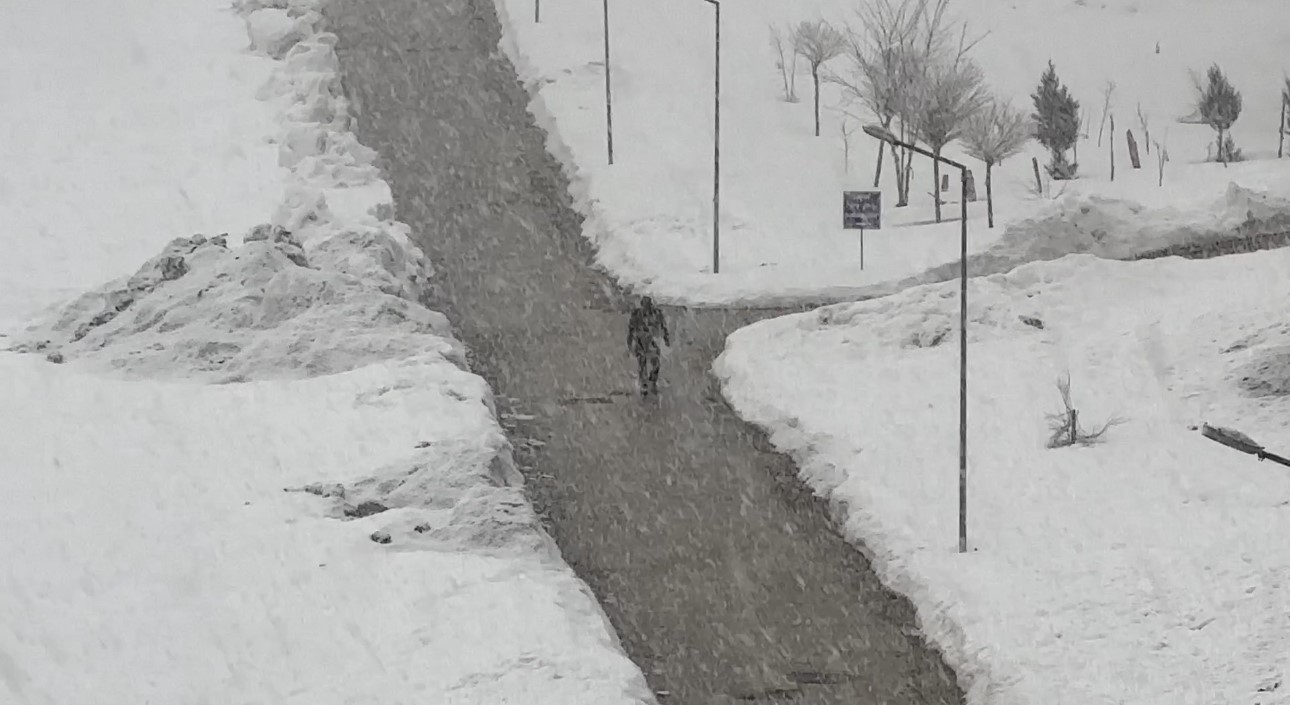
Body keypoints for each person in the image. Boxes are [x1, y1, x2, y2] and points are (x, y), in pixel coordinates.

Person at [626, 296, 670, 397]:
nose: (646, 308)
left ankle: (652, 381)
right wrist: (630, 341)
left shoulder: (657, 314)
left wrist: (666, 338)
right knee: (642, 362)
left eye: (648, 305)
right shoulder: (636, 314)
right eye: (644, 305)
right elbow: (631, 329)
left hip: (652, 341)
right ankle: (644, 383)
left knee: (656, 363)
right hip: (640, 341)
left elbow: (663, 326)